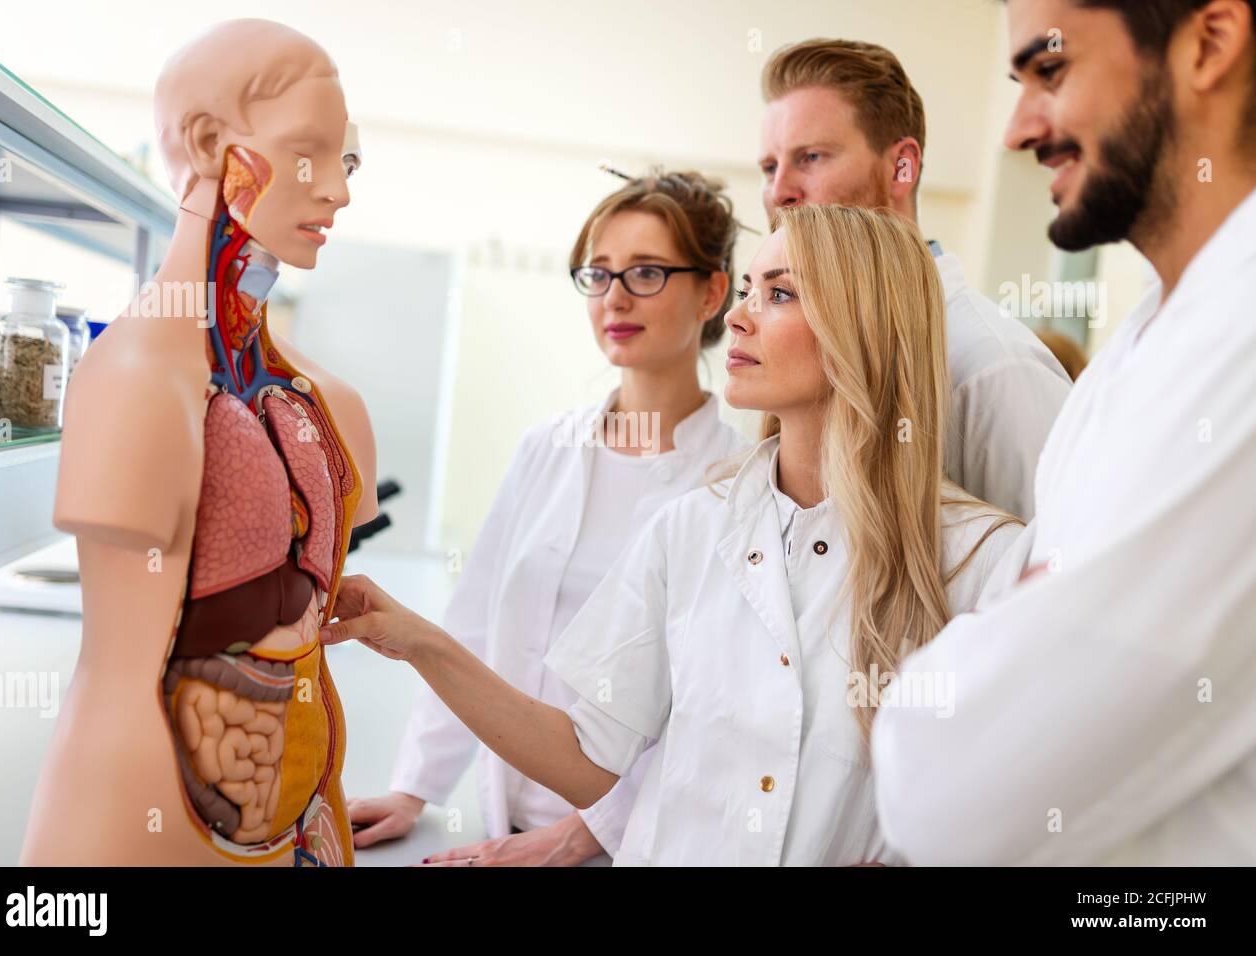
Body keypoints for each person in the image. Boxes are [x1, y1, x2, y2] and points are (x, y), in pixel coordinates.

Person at [323, 204, 1023, 866]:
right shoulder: (691, 527)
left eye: (779, 295)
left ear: (867, 326)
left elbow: (1009, 807)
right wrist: (421, 643)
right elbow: (589, 756)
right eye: (750, 289)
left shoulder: (980, 560)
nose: (741, 319)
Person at [872, 0, 1256, 865]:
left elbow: (953, 792)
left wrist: (1000, 641)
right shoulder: (1137, 346)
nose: (1018, 130)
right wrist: (1024, 625)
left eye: (1051, 70)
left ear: (1211, 44)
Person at [347, 170, 747, 865]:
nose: (614, 297)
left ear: (712, 292)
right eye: (598, 274)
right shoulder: (548, 448)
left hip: (637, 845)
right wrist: (415, 788)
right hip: (502, 822)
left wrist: (581, 837)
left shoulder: (736, 484)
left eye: (647, 272)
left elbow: (713, 711)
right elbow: (473, 627)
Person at [758, 38, 1072, 520]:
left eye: (811, 158)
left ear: (901, 168)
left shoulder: (996, 370)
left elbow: (1044, 575)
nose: (780, 192)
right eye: (769, 167)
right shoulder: (796, 352)